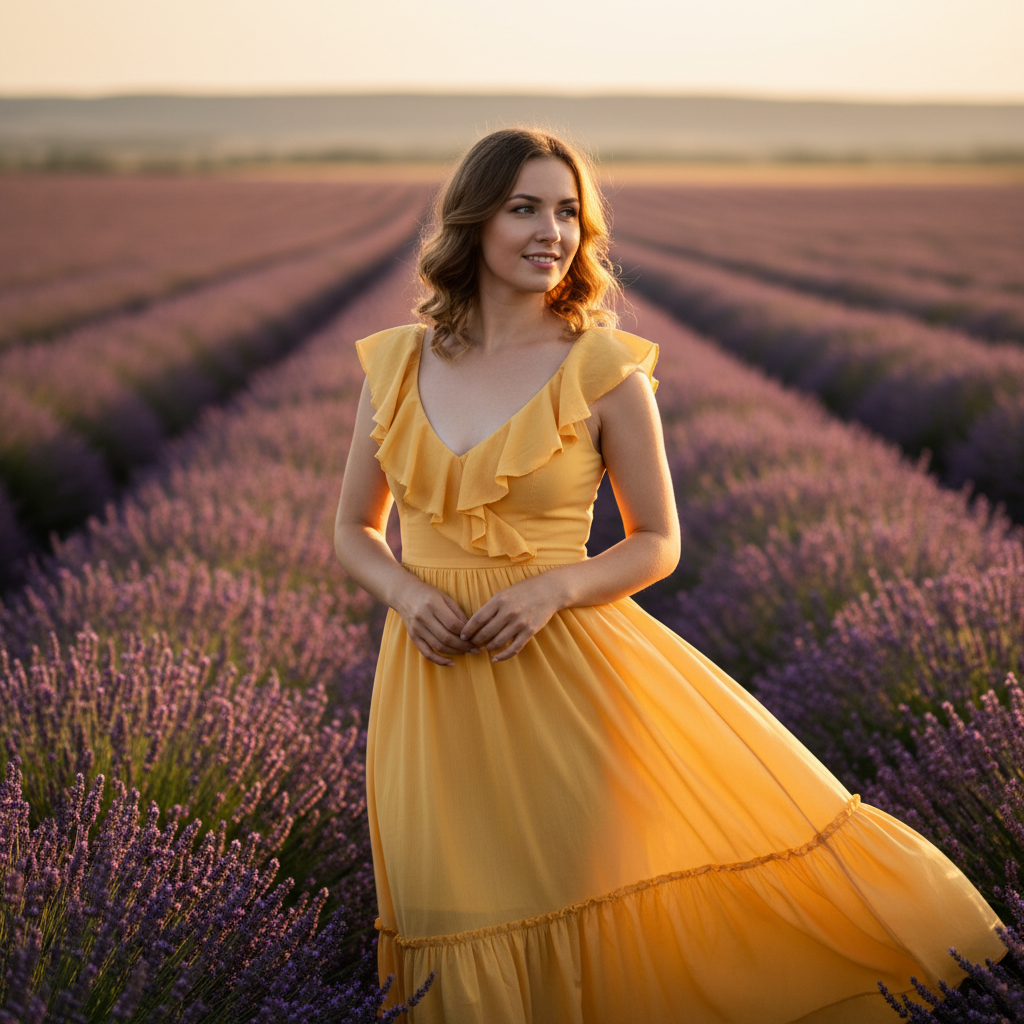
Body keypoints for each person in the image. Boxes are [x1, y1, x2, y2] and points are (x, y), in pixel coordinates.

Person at [333, 127, 1003, 1024]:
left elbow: (658, 542)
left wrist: (550, 589)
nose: (552, 232)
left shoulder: (605, 371)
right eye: (525, 208)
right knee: (446, 917)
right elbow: (352, 530)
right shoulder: (396, 365)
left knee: (587, 909)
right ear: (473, 222)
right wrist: (411, 595)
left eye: (569, 212)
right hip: (431, 683)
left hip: (566, 675)